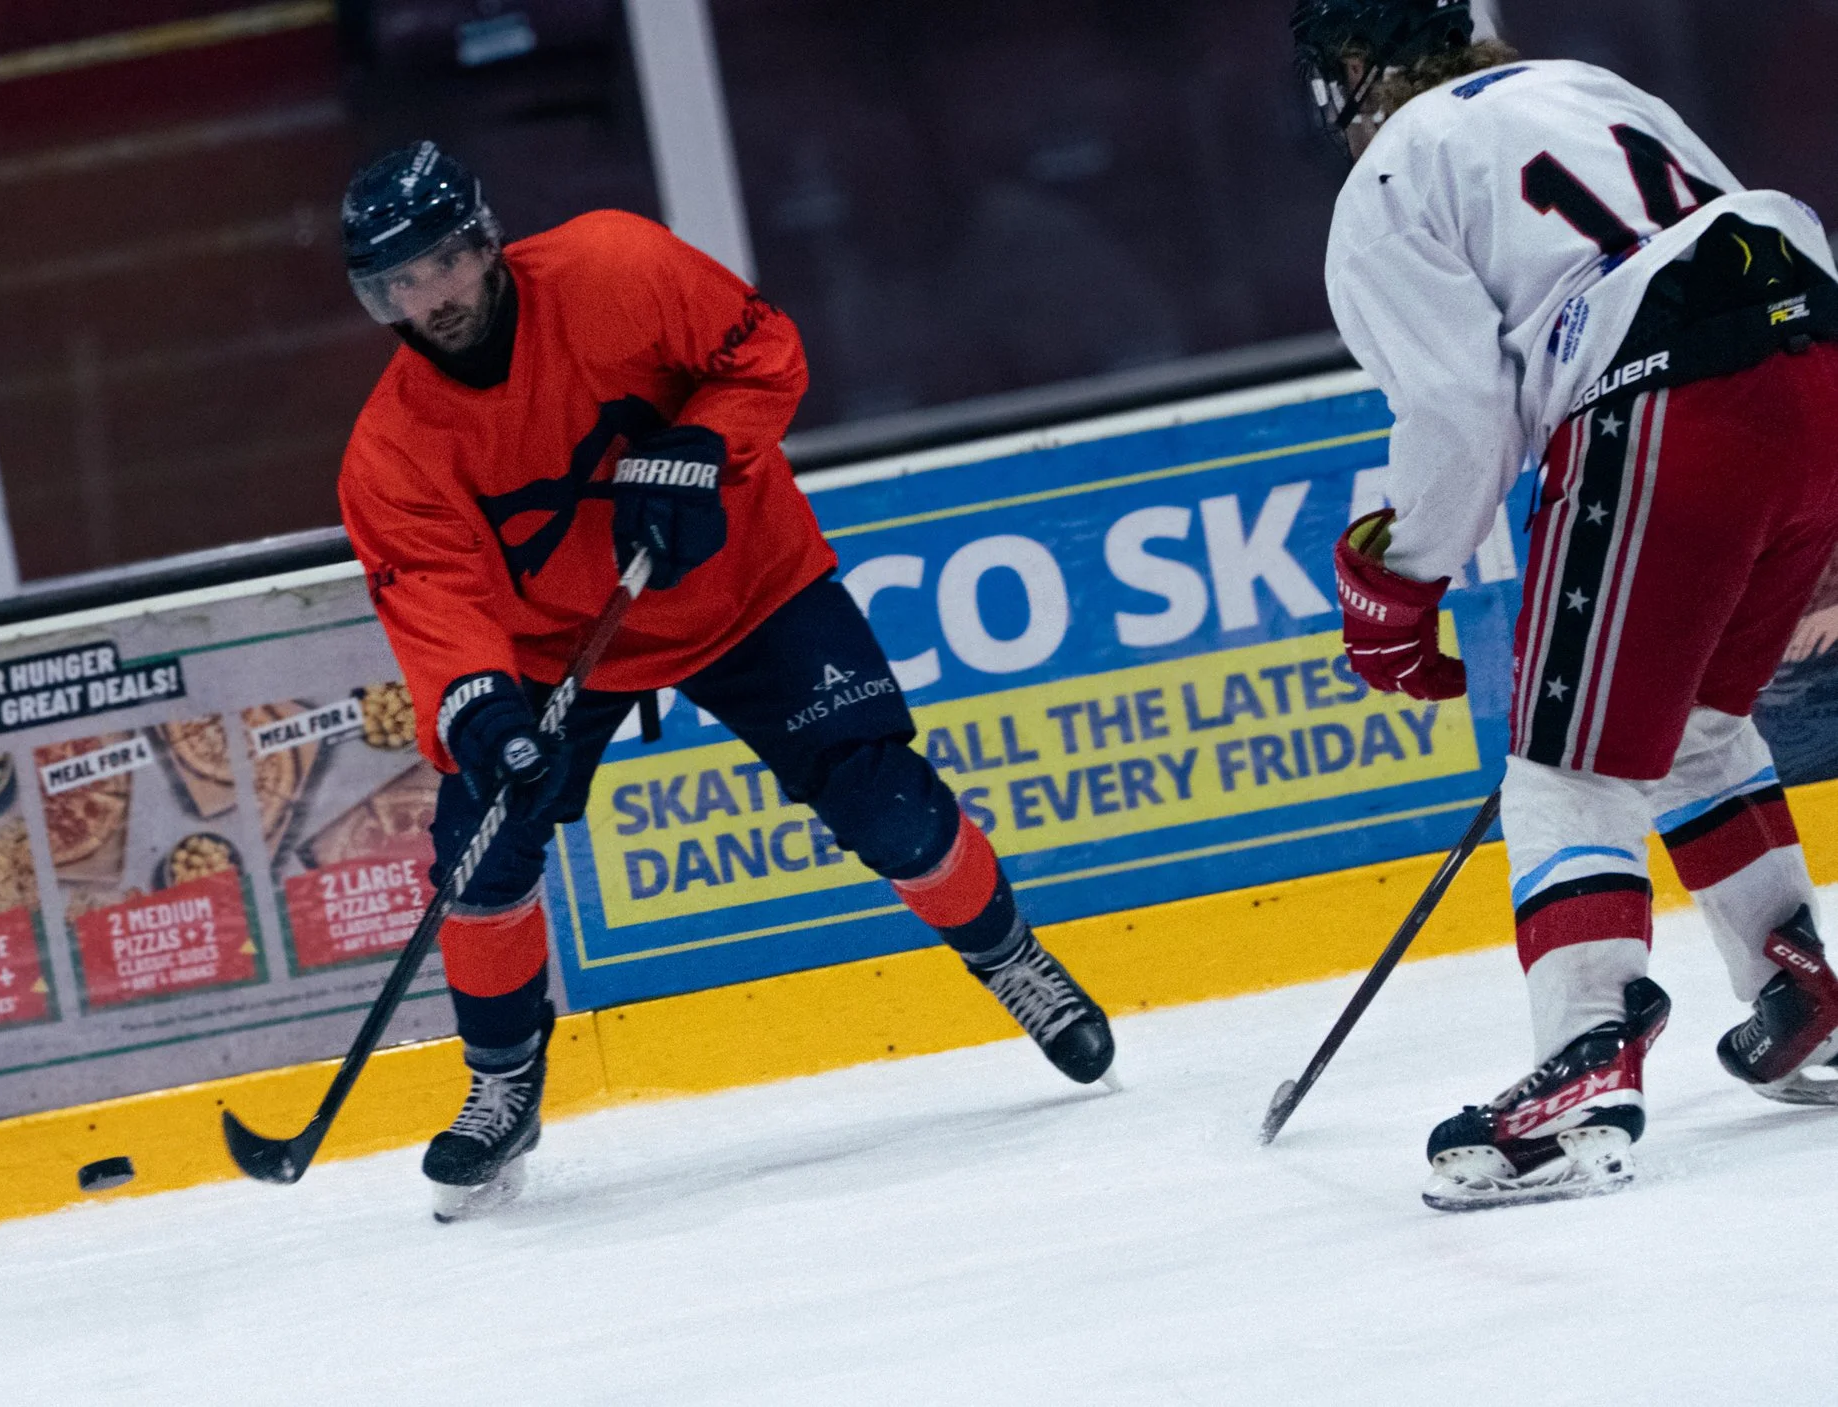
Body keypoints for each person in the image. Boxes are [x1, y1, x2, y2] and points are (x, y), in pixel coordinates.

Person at [334, 141, 1116, 1219]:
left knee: (883, 800)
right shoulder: (390, 450)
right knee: (481, 852)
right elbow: (432, 597)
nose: (428, 301)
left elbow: (765, 353)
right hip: (558, 647)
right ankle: (501, 1085)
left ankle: (1008, 955)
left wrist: (701, 447)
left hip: (749, 583)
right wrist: (486, 715)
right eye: (398, 286)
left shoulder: (618, 266)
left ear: (484, 241)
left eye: (440, 266)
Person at [1295, 0, 1838, 1209]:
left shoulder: (1388, 176)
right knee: (1692, 721)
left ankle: (1581, 1077)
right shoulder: (1589, 84)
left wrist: (1395, 583)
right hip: (1817, 369)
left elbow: (1457, 414)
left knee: (1563, 773)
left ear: (1350, 67)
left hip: (1666, 396)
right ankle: (1800, 991)